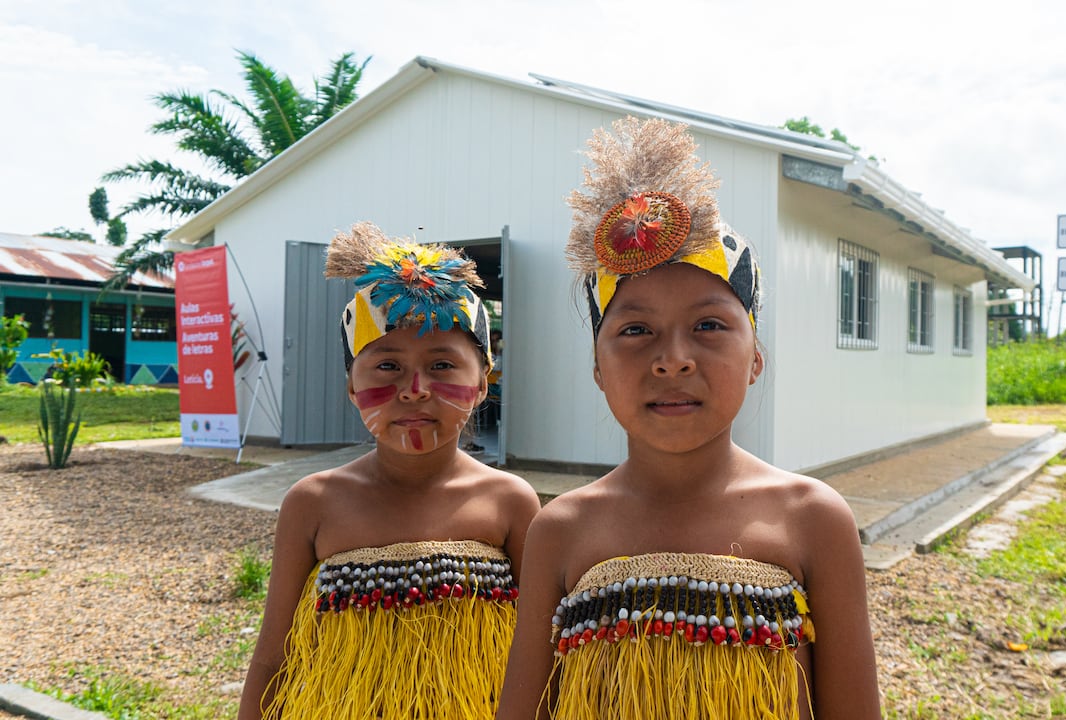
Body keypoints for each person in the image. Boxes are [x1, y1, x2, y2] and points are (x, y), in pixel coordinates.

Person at [498, 118, 881, 719]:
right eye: (635, 330)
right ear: (597, 368)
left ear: (755, 359)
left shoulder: (813, 520)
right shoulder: (561, 530)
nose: (672, 360)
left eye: (708, 325)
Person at [238, 222, 541, 720]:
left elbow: (537, 652)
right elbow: (275, 654)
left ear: (484, 384)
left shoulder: (509, 501)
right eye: (386, 366)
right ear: (352, 388)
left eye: (443, 365)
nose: (414, 388)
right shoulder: (314, 502)